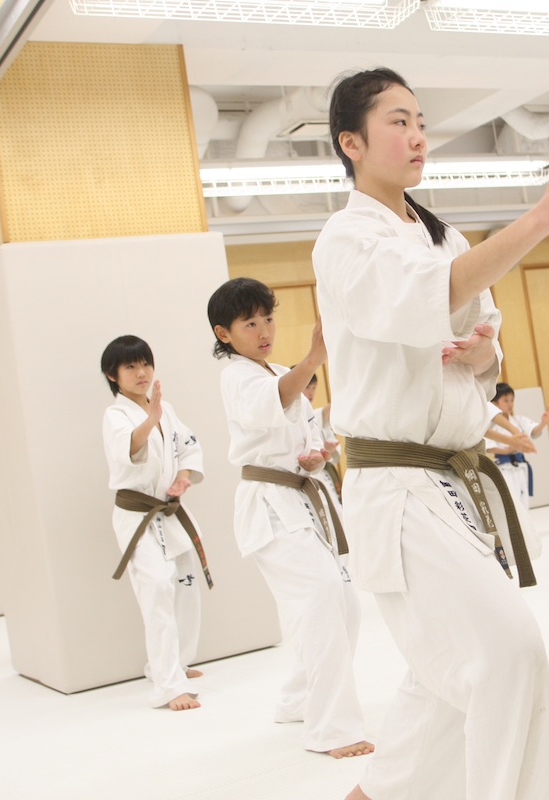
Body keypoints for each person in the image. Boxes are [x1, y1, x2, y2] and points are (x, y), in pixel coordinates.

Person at [313, 67, 549, 800]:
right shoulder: (347, 238)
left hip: (454, 476)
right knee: (506, 653)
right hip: (399, 483)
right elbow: (431, 297)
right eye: (397, 122)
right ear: (352, 143)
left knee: (444, 672)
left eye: (420, 121)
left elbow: (481, 333)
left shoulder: (440, 234)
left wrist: (485, 359)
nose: (418, 136)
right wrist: (541, 218)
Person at [208, 278, 372, 760]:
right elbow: (275, 400)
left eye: (268, 319)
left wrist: (315, 457)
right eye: (250, 323)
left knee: (345, 603)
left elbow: (304, 435)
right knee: (321, 596)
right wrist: (314, 358)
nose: (264, 331)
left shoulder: (280, 371)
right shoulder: (237, 376)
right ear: (224, 333)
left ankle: (299, 698)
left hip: (303, 500)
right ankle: (331, 729)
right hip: (269, 505)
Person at [100, 335, 208, 711]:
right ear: (113, 376)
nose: (141, 372)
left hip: (169, 511)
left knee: (186, 585)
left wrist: (183, 477)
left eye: (145, 363)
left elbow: (189, 447)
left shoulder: (166, 409)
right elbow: (129, 450)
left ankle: (177, 663)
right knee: (158, 588)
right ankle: (168, 685)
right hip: (137, 517)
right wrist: (151, 420)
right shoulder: (116, 416)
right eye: (130, 366)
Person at [485, 382, 549, 512]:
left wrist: (543, 423)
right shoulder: (491, 425)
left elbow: (533, 431)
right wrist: (507, 450)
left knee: (524, 501)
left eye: (512, 400)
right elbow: (489, 446)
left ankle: (525, 524)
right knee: (511, 501)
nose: (510, 404)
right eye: (506, 400)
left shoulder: (518, 420)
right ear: (495, 404)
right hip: (504, 468)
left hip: (520, 466)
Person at [303, 372, 344, 506]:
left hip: (326, 476)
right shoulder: (301, 419)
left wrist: (328, 450)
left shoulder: (316, 418)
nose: (311, 392)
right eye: (307, 387)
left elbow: (335, 455)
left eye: (314, 388)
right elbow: (327, 411)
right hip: (308, 479)